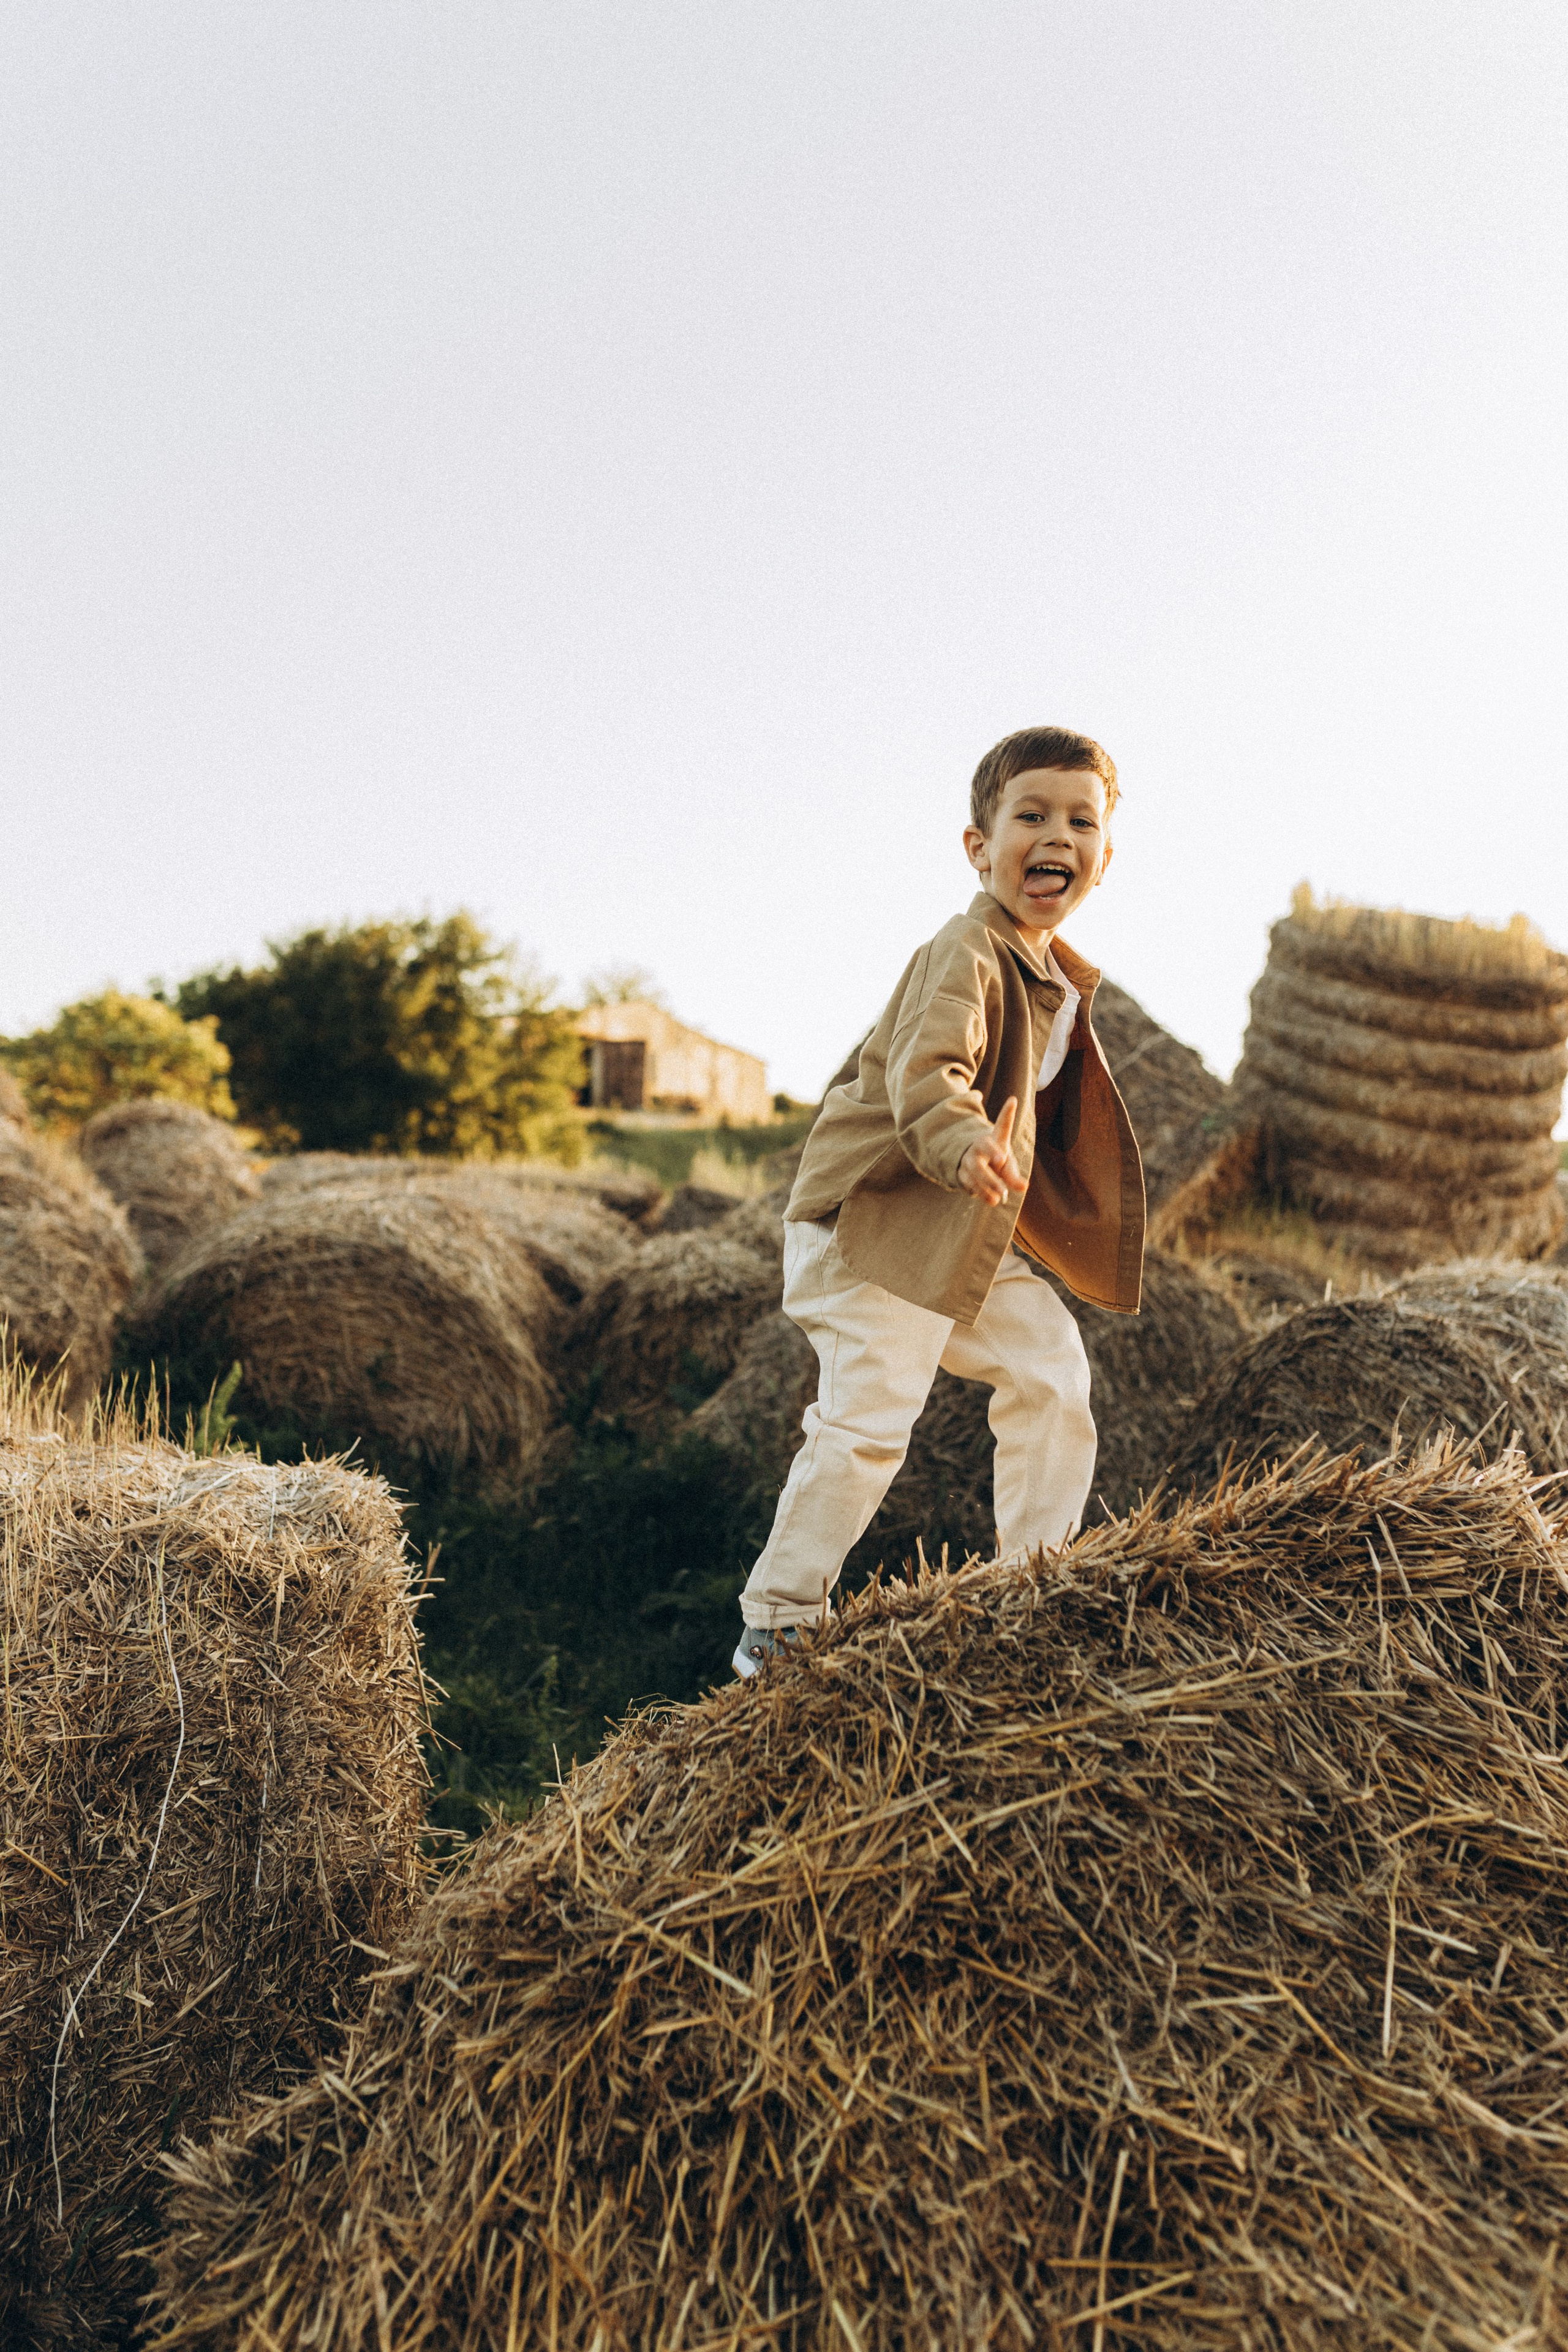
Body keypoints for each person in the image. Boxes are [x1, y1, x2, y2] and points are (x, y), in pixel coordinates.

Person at [733, 724, 1145, 1676]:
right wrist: (963, 1145)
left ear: (1105, 857)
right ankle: (779, 1618)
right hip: (878, 1223)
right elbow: (933, 1071)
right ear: (980, 846)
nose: (1057, 835)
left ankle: (1032, 1589)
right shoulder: (966, 950)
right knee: (871, 1421)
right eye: (1030, 815)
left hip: (960, 1230)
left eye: (1080, 821)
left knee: (1052, 1378)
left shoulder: (1055, 973)